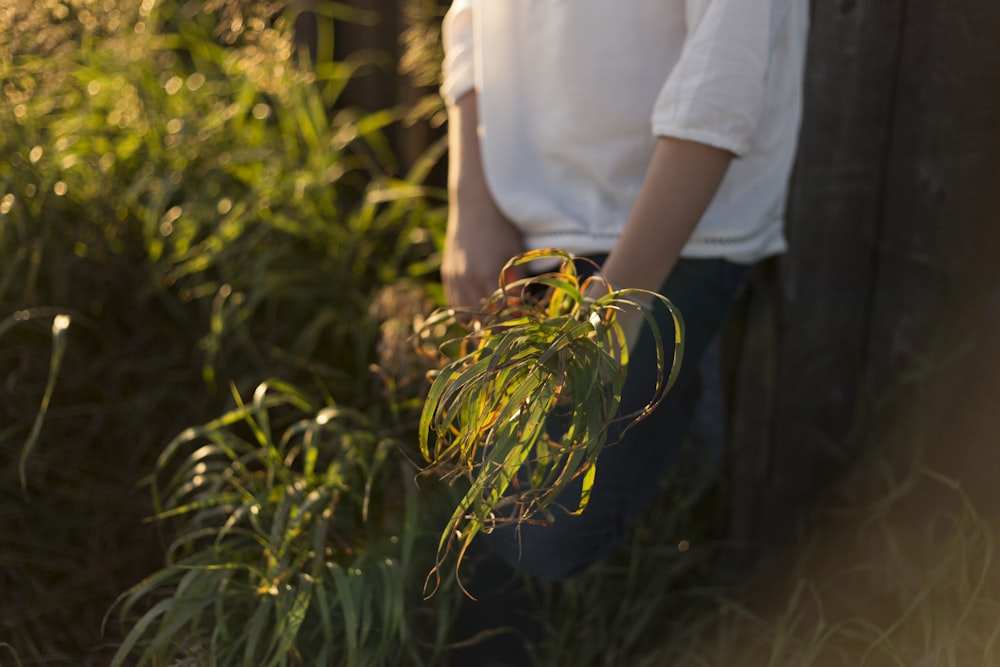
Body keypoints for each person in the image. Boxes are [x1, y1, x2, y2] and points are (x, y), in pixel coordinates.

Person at [438, 1, 809, 663]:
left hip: (671, 228)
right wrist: (471, 207)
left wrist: (608, 316)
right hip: (521, 219)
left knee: (536, 527)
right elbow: (470, 16)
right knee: (461, 504)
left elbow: (719, 83)